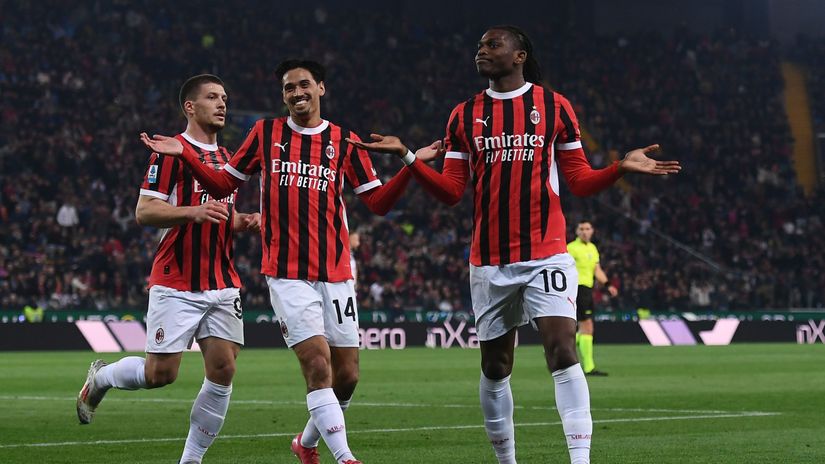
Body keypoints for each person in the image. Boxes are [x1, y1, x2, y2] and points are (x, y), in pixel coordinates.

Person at [348, 25, 680, 464]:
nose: (481, 51)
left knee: (562, 350)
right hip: (489, 261)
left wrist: (619, 166)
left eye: (492, 45)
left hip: (547, 253)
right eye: (480, 46)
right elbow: (451, 190)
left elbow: (579, 180)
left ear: (519, 55)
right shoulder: (462, 116)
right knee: (496, 367)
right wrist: (409, 157)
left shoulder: (554, 106)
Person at [141, 60, 415, 464]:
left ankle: (305, 443)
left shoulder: (344, 140)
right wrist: (184, 152)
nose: (297, 93)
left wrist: (408, 161)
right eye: (289, 88)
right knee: (317, 364)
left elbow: (376, 202)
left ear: (321, 88)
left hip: (337, 272)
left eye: (304, 85)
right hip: (286, 272)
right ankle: (346, 458)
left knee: (348, 376)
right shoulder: (264, 134)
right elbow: (221, 184)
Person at [76, 74, 261, 464]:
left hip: (223, 281)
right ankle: (102, 378)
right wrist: (193, 212)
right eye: (212, 97)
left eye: (225, 97)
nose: (222, 103)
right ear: (190, 107)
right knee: (160, 375)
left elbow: (223, 215)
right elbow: (145, 212)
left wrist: (243, 221)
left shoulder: (228, 160)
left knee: (224, 367)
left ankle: (190, 461)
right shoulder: (170, 152)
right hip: (177, 279)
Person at [568, 221, 617, 376]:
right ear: (576, 231)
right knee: (587, 327)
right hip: (577, 288)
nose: (584, 231)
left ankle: (561, 346)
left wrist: (608, 284)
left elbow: (597, 269)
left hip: (587, 290)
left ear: (592, 231)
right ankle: (589, 367)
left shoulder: (592, 248)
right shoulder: (571, 248)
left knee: (584, 328)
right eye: (581, 229)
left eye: (587, 229)